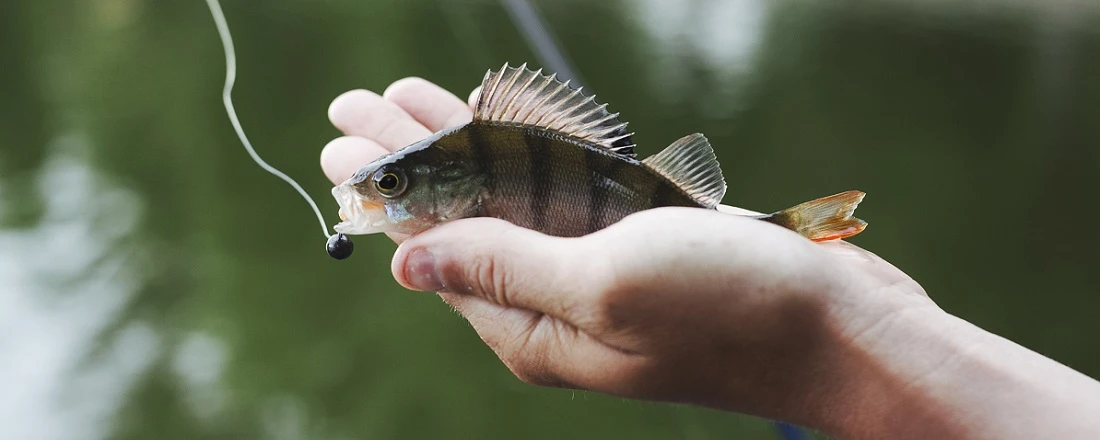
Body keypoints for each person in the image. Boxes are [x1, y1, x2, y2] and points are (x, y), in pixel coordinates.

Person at [318, 77, 1100, 440]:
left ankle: (789, 232)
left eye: (391, 182)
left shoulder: (471, 189)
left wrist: (834, 329)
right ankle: (793, 233)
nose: (377, 193)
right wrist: (864, 329)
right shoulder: (467, 172)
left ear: (447, 181)